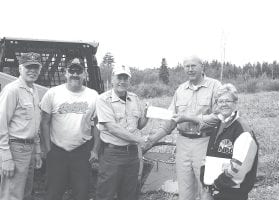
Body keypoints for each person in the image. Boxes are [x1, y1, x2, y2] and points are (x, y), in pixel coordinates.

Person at [147, 56, 222, 200]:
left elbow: (218, 117)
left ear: (202, 66)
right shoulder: (180, 90)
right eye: (187, 66)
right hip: (183, 143)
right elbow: (171, 119)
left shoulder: (215, 86)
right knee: (185, 189)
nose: (190, 69)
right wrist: (152, 140)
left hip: (205, 141)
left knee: (206, 188)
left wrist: (189, 118)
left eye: (193, 66)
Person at [40, 58, 99, 200]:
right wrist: (47, 149)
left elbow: (98, 125)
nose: (75, 74)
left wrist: (95, 150)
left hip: (82, 151)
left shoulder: (93, 95)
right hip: (57, 151)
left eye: (79, 71)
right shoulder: (52, 93)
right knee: (53, 193)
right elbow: (44, 122)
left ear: (84, 74)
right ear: (65, 73)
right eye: (71, 71)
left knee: (82, 193)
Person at [95, 65, 149, 200]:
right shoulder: (103, 99)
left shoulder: (134, 98)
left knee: (129, 194)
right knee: (105, 194)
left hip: (132, 155)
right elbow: (112, 128)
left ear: (129, 81)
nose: (122, 81)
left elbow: (139, 126)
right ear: (112, 79)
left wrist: (147, 115)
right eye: (119, 77)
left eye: (125, 78)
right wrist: (139, 140)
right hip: (112, 155)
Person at [201, 83, 259, 200]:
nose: (223, 104)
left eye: (227, 101)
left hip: (233, 192)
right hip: (218, 189)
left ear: (235, 103)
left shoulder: (242, 130)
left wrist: (217, 184)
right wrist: (206, 181)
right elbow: (211, 155)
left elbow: (239, 168)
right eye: (220, 101)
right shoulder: (219, 125)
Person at [0, 52, 43, 200]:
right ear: (20, 69)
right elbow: (1, 124)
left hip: (29, 149)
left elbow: (35, 124)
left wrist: (37, 151)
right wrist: (5, 157)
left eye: (36, 67)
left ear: (40, 69)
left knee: (25, 193)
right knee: (12, 194)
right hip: (15, 149)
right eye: (28, 67)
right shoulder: (12, 90)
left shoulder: (34, 90)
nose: (32, 71)